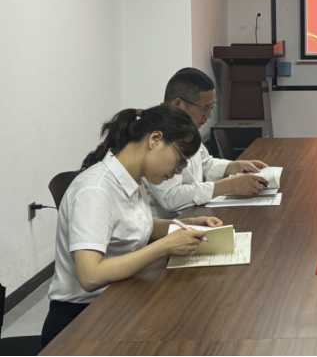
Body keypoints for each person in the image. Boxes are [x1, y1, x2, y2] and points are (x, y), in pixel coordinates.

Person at [42, 106, 224, 347]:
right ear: (155, 139)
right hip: (81, 321)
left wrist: (184, 224)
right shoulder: (95, 190)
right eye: (179, 161)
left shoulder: (132, 179)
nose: (177, 172)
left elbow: (133, 227)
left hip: (118, 300)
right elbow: (90, 276)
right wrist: (164, 247)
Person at [144, 68, 270, 219]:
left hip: (196, 216)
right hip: (170, 224)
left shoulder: (187, 129)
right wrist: (228, 185)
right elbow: (170, 198)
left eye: (212, 107)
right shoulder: (156, 137)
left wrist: (232, 167)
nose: (209, 115)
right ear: (178, 104)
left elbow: (204, 164)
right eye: (205, 108)